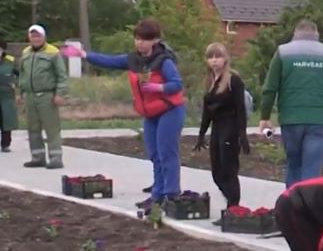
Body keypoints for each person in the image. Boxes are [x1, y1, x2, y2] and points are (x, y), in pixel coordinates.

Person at [74, 19, 185, 209]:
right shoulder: (133, 59)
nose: (139, 43)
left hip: (170, 110)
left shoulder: (164, 61)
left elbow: (177, 84)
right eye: (137, 39)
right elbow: (109, 61)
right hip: (150, 113)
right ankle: (157, 195)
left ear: (155, 40)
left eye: (144, 39)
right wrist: (85, 55)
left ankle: (172, 193)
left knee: (167, 153)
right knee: (154, 154)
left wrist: (159, 87)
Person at [258, 20, 323, 188]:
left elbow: (270, 88)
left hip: (291, 118)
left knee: (293, 164)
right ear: (317, 35)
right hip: (319, 119)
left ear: (295, 34)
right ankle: (308, 207)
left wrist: (265, 117)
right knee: (311, 167)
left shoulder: (283, 52)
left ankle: (291, 206)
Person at [195, 42, 250, 213]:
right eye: (211, 57)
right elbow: (207, 110)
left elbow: (241, 109)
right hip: (217, 128)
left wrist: (242, 134)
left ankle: (233, 207)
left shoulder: (233, 80)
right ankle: (231, 201)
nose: (214, 61)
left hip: (230, 127)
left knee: (229, 169)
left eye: (218, 57)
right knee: (217, 172)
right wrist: (201, 133)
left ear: (225, 59)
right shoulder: (210, 81)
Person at [19, 25, 68, 169]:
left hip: (47, 96)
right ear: (29, 37)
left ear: (44, 37)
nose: (35, 38)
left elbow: (61, 75)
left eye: (38, 36)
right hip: (30, 96)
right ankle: (37, 157)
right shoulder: (26, 53)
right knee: (33, 128)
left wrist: (60, 94)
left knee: (51, 128)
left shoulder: (53, 52)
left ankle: (55, 158)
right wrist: (21, 92)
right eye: (33, 36)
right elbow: (22, 74)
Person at [0, 42, 17, 153]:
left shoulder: (10, 62)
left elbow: (21, 74)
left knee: (6, 120)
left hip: (6, 95)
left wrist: (15, 82)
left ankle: (5, 144)